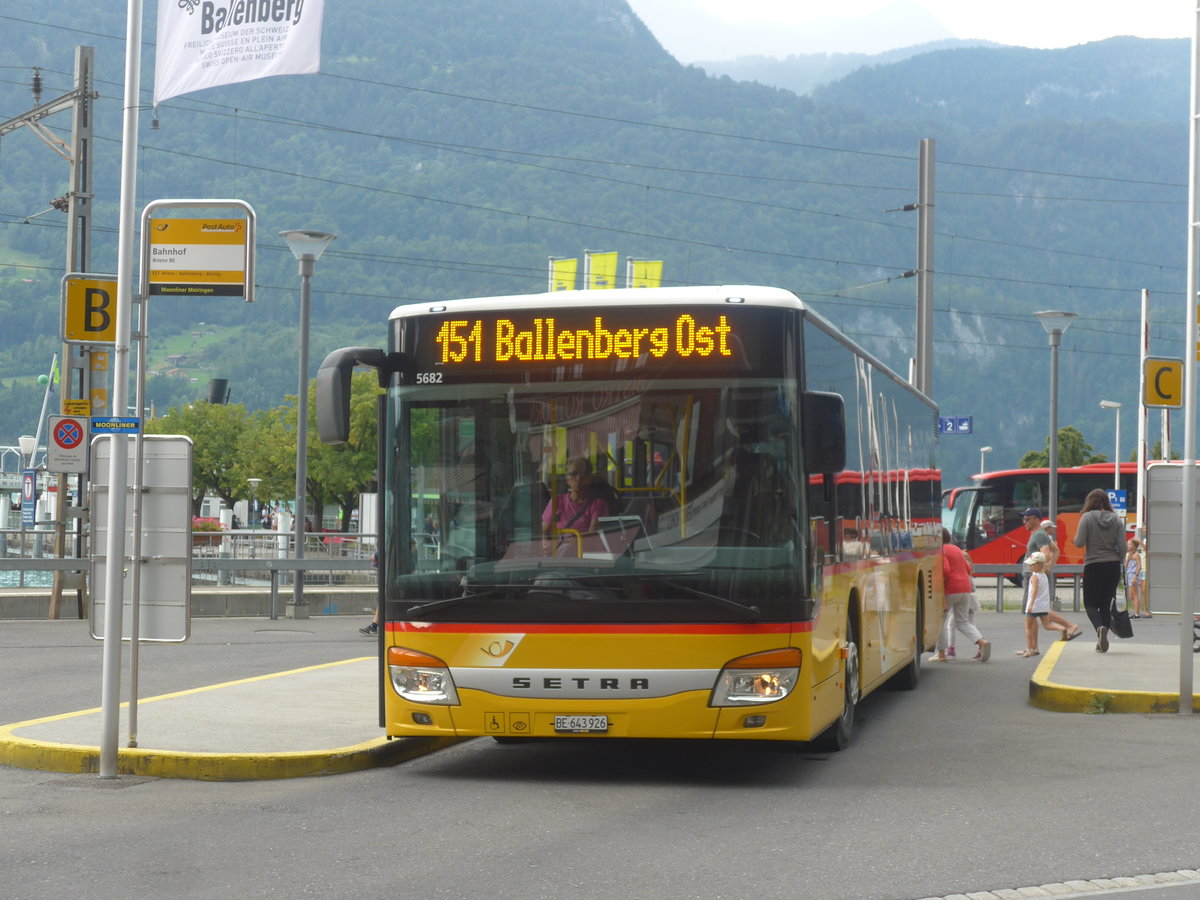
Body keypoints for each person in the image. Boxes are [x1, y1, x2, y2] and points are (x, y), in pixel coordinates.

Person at [1072, 488, 1126, 653]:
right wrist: (1120, 560)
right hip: (1113, 565)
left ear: (1089, 502)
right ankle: (1102, 639)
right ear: (1106, 502)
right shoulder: (1117, 519)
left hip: (1094, 565)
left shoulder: (1087, 517)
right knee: (1105, 604)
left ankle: (1099, 629)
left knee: (1090, 604)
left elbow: (1079, 542)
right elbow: (1123, 546)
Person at [1019, 510, 1080, 640]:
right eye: (1024, 519)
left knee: (1034, 609)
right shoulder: (1040, 534)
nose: (1024, 522)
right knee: (1037, 611)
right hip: (1034, 572)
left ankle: (1069, 625)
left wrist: (1042, 568)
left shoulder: (1039, 535)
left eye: (1027, 519)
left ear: (1036, 519)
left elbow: (1046, 552)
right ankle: (1033, 647)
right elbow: (1056, 550)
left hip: (1032, 574)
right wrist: (1049, 566)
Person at [931, 528, 990, 662]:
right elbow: (968, 568)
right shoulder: (957, 549)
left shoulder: (941, 550)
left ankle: (941, 654)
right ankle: (982, 642)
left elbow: (945, 571)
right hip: (965, 588)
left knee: (940, 622)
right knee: (963, 622)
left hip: (950, 589)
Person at [541, 457, 610, 555]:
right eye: (573, 474)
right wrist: (547, 545)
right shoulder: (556, 502)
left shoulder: (598, 505)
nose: (578, 478)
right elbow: (544, 531)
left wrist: (569, 543)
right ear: (567, 479)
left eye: (583, 474)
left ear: (590, 478)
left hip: (585, 557)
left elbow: (591, 536)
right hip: (558, 554)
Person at [1018, 551, 1061, 657]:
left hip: (1034, 606)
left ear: (1039, 565)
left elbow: (1034, 592)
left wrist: (1030, 605)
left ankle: (1029, 649)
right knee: (1046, 625)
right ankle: (1062, 629)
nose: (1030, 566)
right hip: (1043, 606)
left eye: (1032, 564)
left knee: (1028, 626)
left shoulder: (1035, 577)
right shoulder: (1044, 576)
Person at [1125, 537, 1148, 618]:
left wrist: (1136, 576)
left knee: (1135, 594)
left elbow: (1139, 566)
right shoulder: (1129, 555)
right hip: (1129, 574)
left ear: (1135, 546)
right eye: (1128, 544)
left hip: (1133, 575)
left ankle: (1137, 613)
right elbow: (1126, 565)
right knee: (1130, 595)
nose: (1128, 546)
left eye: (1130, 544)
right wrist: (1127, 559)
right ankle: (1135, 611)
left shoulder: (1136, 555)